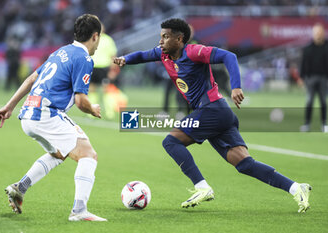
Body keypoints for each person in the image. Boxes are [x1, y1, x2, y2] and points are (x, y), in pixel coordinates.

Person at [114, 18, 311, 213]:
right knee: (244, 164)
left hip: (212, 109)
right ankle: (296, 187)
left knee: (171, 142)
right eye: (160, 37)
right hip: (217, 114)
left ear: (180, 39)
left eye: (165, 37)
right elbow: (142, 55)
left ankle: (202, 187)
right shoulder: (163, 55)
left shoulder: (193, 51)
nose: (160, 41)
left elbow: (229, 57)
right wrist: (125, 59)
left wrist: (236, 87)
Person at [0, 14, 107, 222]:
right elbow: (81, 102)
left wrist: (10, 106)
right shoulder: (84, 58)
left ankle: (20, 188)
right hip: (47, 114)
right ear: (95, 36)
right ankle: (79, 211)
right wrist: (94, 109)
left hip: (28, 114)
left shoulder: (61, 51)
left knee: (59, 154)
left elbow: (32, 77)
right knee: (88, 155)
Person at [300, 23, 328, 133]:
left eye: (319, 32)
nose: (317, 34)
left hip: (323, 78)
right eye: (316, 32)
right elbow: (303, 64)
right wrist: (302, 78)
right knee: (309, 101)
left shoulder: (326, 47)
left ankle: (324, 124)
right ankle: (307, 124)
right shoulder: (308, 48)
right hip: (310, 79)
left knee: (323, 102)